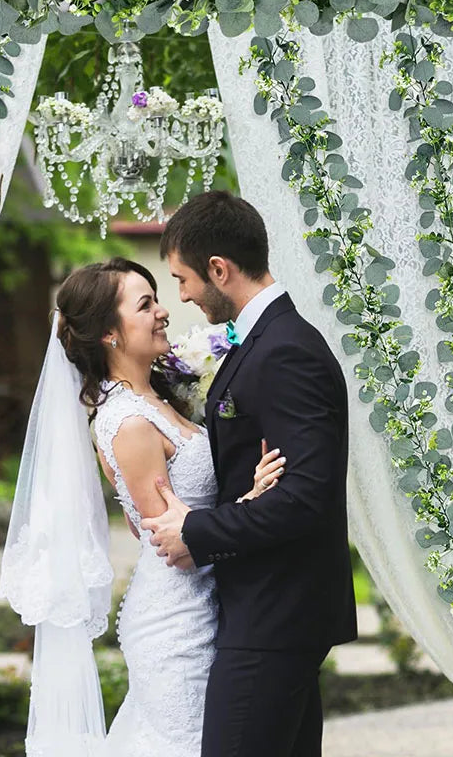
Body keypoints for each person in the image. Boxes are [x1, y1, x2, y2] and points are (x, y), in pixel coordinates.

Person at [0, 255, 284, 756]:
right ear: (109, 333)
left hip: (199, 607)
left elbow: (140, 523)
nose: (163, 313)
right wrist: (251, 501)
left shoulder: (157, 399)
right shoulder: (127, 423)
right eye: (146, 304)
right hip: (177, 625)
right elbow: (172, 544)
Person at [142, 190, 358, 757]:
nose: (182, 295)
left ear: (220, 269)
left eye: (183, 279)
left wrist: (198, 531)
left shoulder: (286, 350)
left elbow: (306, 498)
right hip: (267, 609)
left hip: (276, 613)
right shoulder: (264, 342)